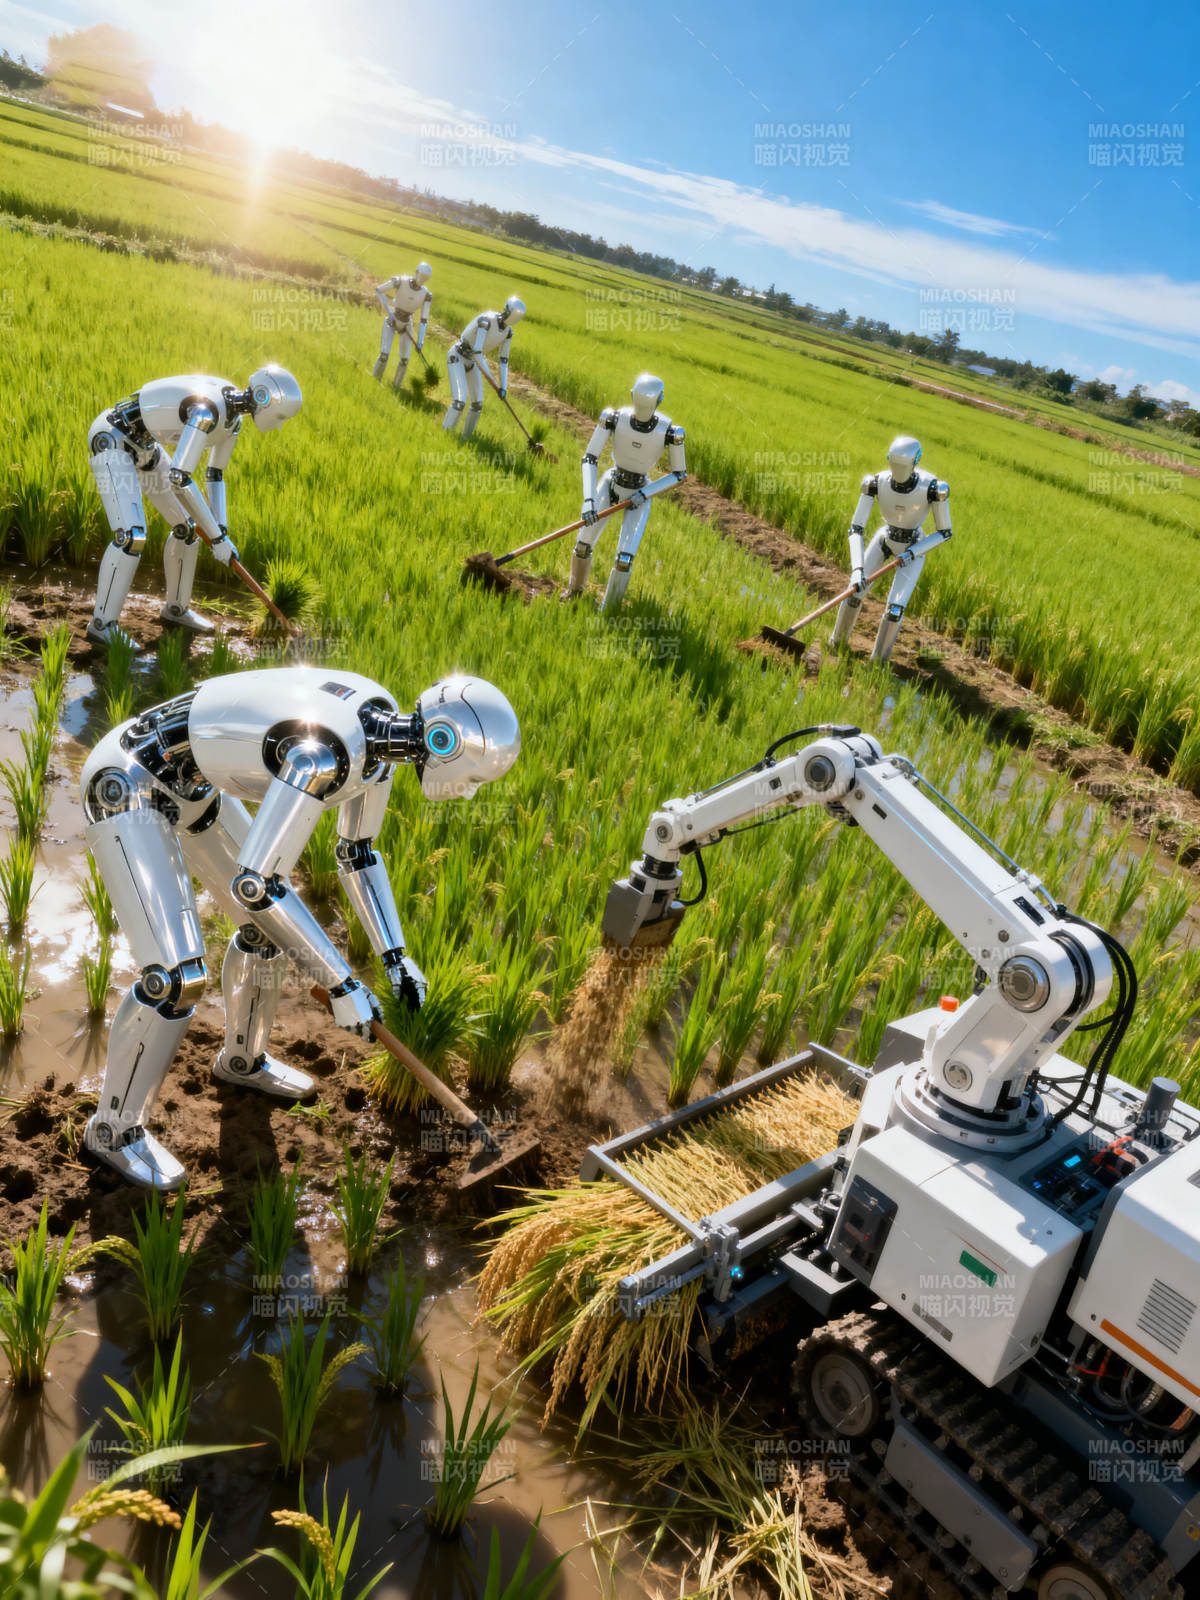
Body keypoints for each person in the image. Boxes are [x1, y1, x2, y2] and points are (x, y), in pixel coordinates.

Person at [80, 666, 520, 1190]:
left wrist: (395, 958)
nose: (469, 795)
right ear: (443, 742)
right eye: (472, 780)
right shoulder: (323, 754)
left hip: (195, 787)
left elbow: (357, 852)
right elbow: (257, 884)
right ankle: (113, 1129)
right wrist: (342, 986)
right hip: (131, 780)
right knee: (175, 979)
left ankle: (242, 1059)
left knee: (266, 934)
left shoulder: (382, 742)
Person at [87, 366, 302, 644]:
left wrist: (220, 529)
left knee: (188, 531)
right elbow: (179, 477)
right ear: (265, 399)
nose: (280, 423)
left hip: (147, 448)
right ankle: (102, 625)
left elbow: (215, 474)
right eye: (282, 415)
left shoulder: (233, 420)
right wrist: (216, 537)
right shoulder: (206, 412)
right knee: (131, 537)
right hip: (113, 439)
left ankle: (176, 609)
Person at [564, 373, 686, 611]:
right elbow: (590, 457)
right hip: (611, 483)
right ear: (659, 399)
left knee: (624, 559)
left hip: (640, 492)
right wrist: (589, 501)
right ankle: (574, 592)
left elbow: (679, 474)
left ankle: (608, 610)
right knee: (583, 543)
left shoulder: (670, 431)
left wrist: (645, 493)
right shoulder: (614, 418)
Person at [829, 434, 952, 663]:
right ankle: (836, 643)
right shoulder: (876, 483)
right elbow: (856, 528)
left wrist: (912, 553)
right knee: (855, 590)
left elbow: (944, 532)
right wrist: (858, 570)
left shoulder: (933, 488)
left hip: (914, 544)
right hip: (885, 538)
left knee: (894, 610)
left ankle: (876, 663)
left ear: (915, 462)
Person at [442, 297, 526, 437]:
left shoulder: (508, 333)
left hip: (472, 362)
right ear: (507, 311)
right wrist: (494, 382)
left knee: (477, 405)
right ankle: (445, 434)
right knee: (459, 402)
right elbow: (477, 351)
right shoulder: (486, 321)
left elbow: (504, 360)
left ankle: (466, 438)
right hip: (458, 355)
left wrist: (503, 386)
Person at [373, 261, 432, 386]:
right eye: (421, 276)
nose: (422, 280)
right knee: (384, 354)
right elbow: (378, 290)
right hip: (392, 320)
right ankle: (375, 381)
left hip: (406, 324)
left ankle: (396, 386)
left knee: (404, 360)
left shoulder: (426, 295)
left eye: (425, 278)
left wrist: (420, 342)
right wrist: (390, 313)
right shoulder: (400, 281)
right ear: (416, 272)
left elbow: (423, 320)